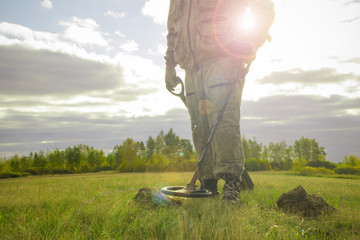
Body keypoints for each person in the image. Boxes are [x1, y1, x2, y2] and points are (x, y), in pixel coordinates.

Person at [165, 0, 274, 201]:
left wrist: (252, 41)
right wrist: (170, 65)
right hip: (191, 67)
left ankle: (232, 183)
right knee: (200, 126)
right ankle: (208, 184)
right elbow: (173, 30)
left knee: (224, 122)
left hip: (224, 58)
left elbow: (262, 6)